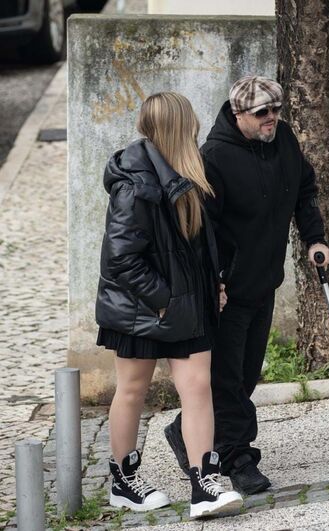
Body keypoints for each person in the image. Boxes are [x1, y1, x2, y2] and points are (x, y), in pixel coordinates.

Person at [164, 76, 329, 494]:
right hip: (228, 290)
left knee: (246, 376)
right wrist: (216, 280)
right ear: (239, 115)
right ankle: (239, 459)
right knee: (226, 377)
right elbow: (205, 230)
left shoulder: (284, 141)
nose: (272, 118)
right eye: (262, 113)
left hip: (263, 282)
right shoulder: (214, 157)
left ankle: (183, 429)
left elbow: (304, 190)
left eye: (276, 109)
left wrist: (315, 237)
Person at [95, 92, 243, 518]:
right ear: (177, 126)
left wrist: (212, 282)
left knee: (198, 387)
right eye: (190, 121)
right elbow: (121, 259)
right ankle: (124, 482)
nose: (197, 127)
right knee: (133, 389)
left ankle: (204, 485)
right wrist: (164, 301)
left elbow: (198, 244)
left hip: (187, 304)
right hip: (142, 306)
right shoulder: (133, 182)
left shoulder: (189, 172)